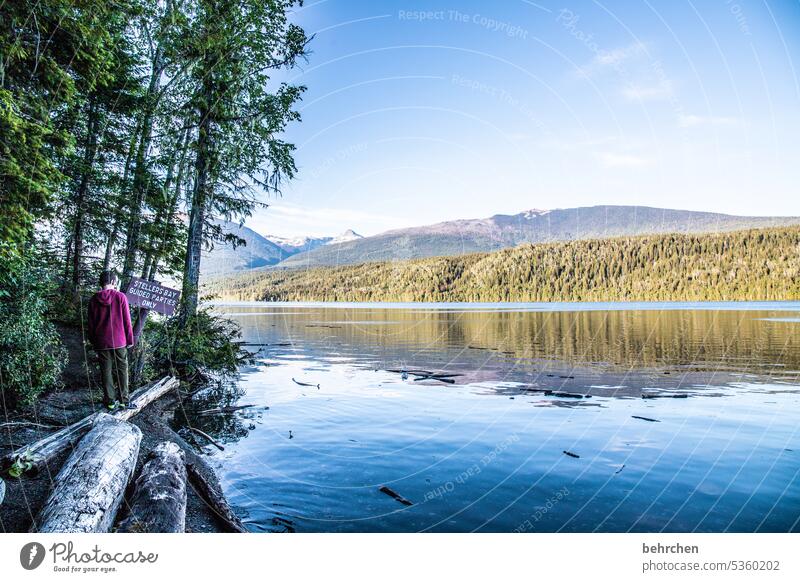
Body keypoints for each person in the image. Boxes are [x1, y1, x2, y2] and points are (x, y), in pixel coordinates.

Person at [87, 271, 137, 411]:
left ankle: (109, 402)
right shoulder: (120, 297)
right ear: (114, 282)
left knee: (106, 370)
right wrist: (130, 338)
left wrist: (93, 340)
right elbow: (127, 320)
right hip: (119, 340)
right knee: (122, 369)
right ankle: (124, 401)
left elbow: (90, 323)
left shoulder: (93, 299)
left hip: (101, 341)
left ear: (101, 282)